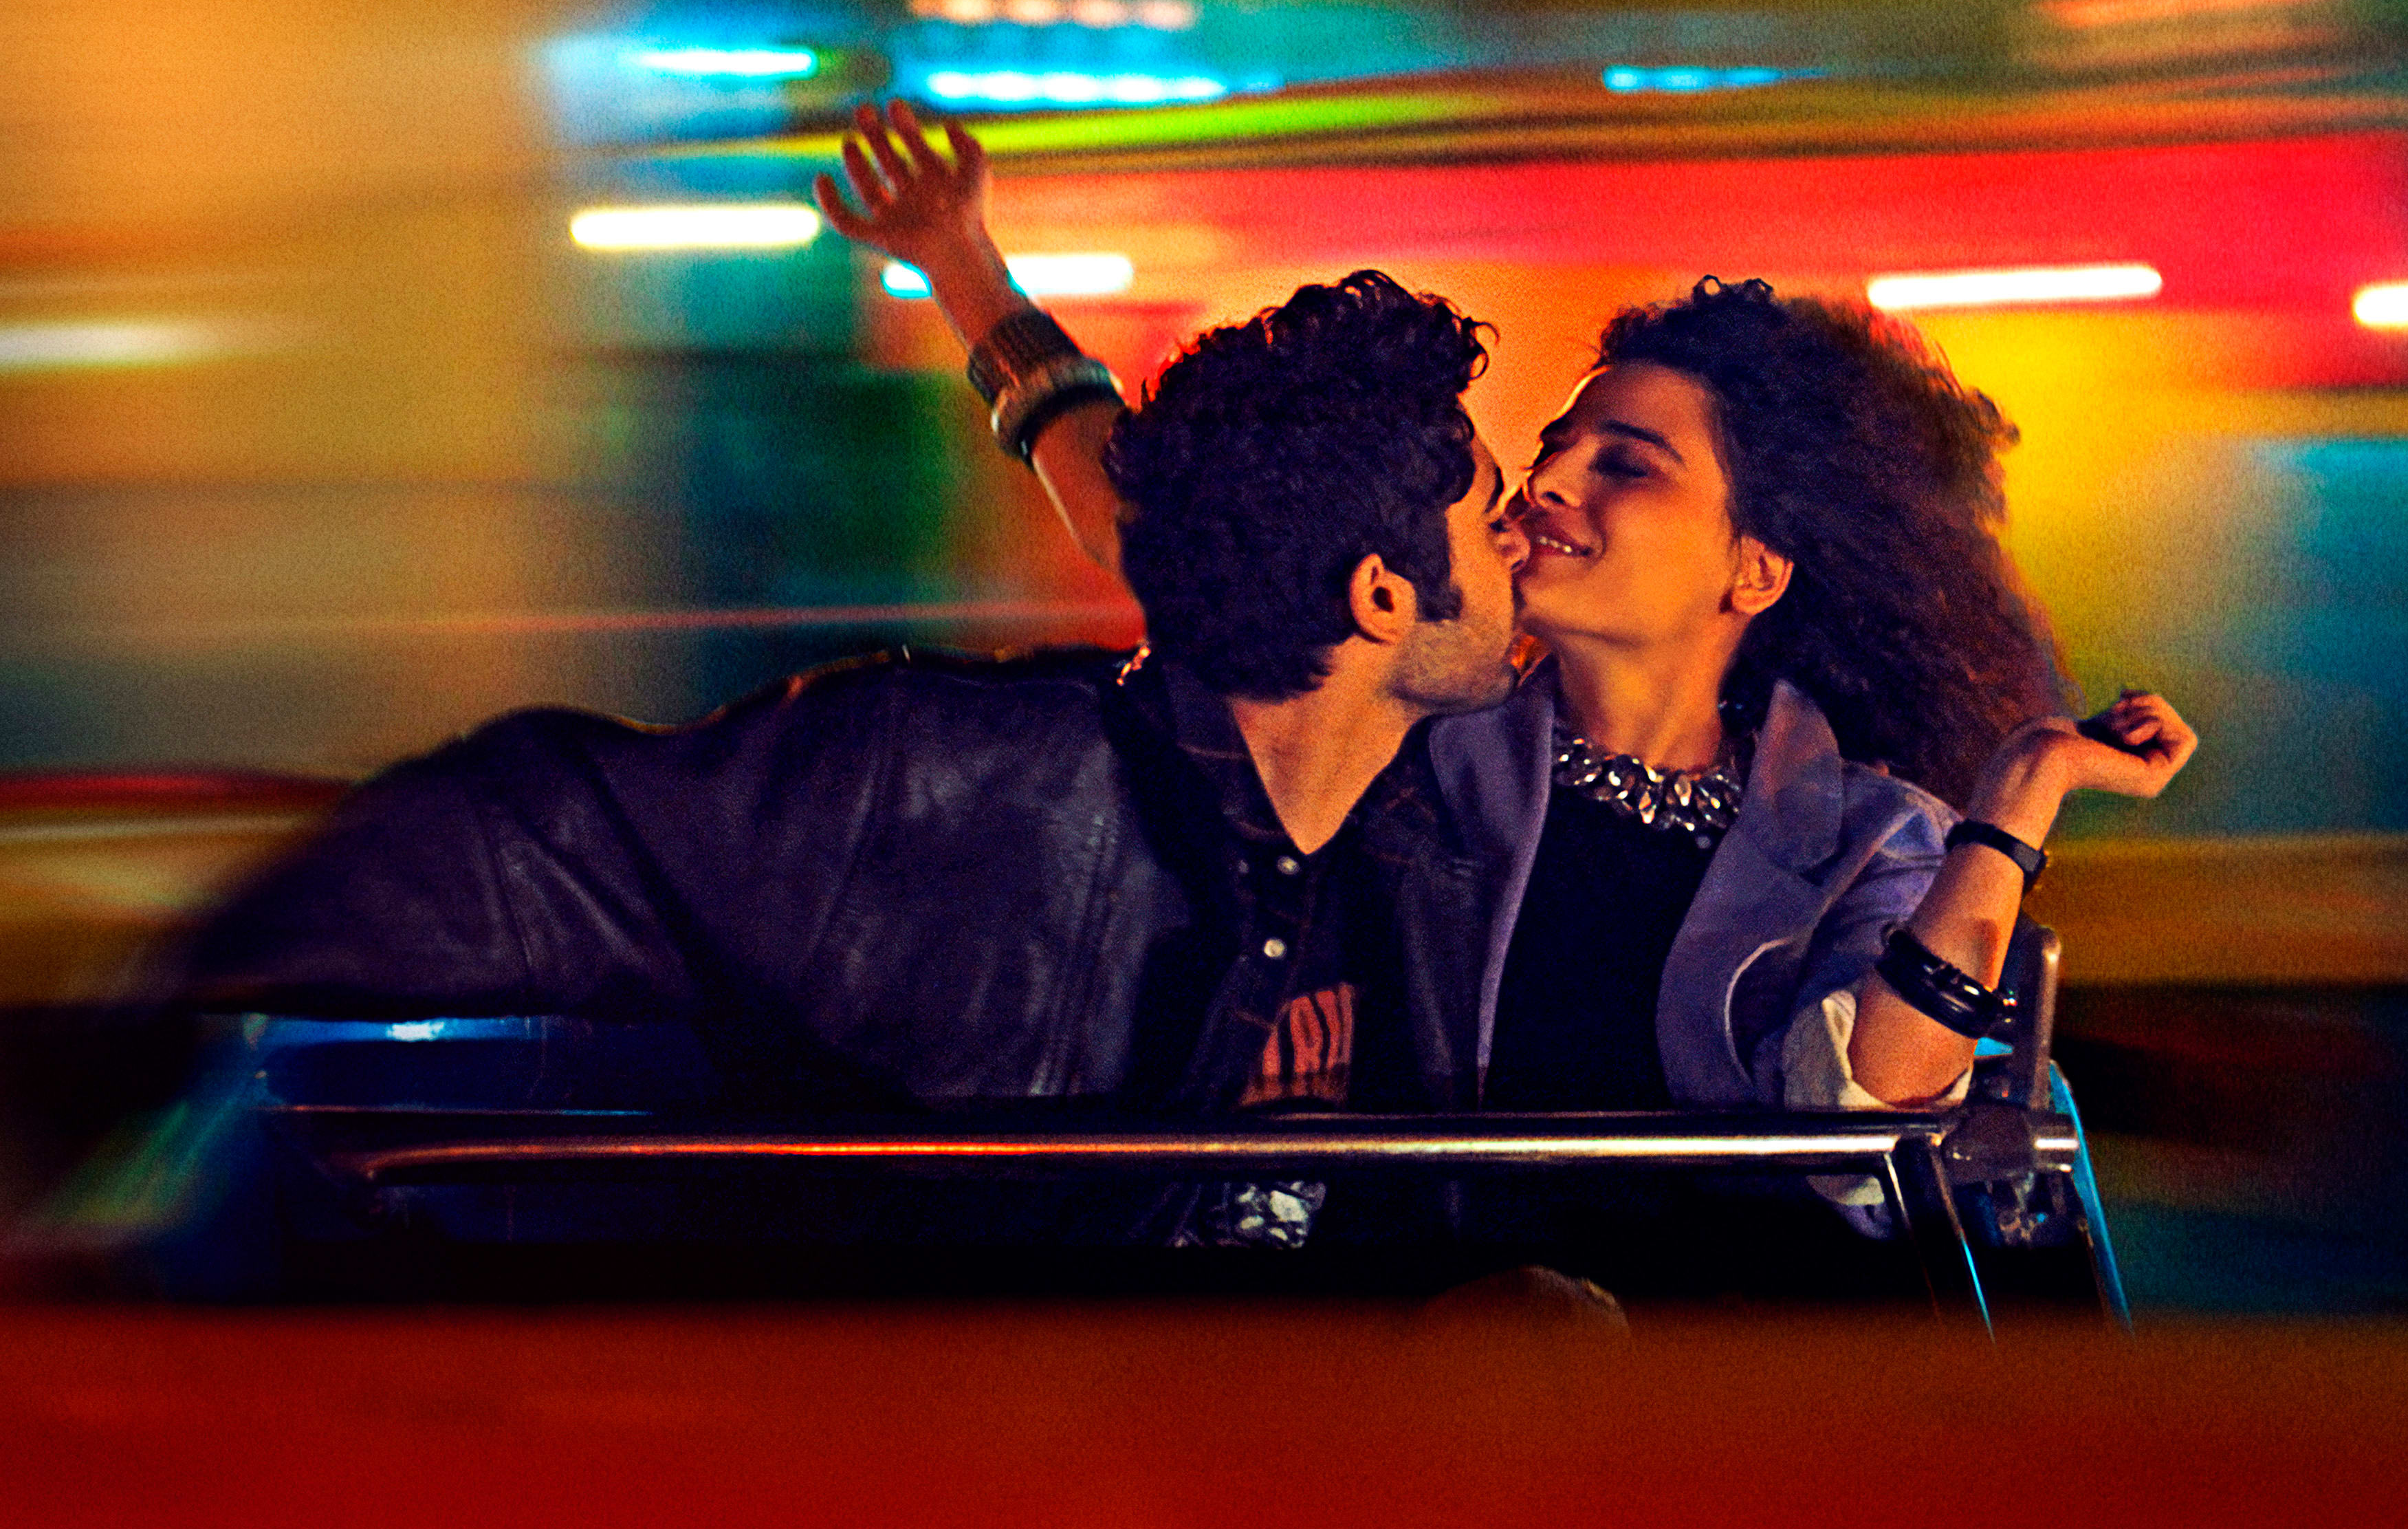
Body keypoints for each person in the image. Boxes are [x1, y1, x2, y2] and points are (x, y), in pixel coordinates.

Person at [817, 102, 2198, 1145]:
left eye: (1625, 466)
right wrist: (962, 263)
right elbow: (1172, 528)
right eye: (1554, 445)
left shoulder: (1867, 836)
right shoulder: (1413, 720)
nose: (1547, 483)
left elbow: (1860, 1102)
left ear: (1753, 571)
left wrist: (2016, 800)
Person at [163, 267, 1532, 1171]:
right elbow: (512, 858)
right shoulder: (933, 783)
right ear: (1377, 595)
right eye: (1491, 517)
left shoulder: (1418, 836)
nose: (1527, 536)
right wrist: (139, 974)